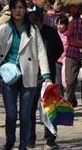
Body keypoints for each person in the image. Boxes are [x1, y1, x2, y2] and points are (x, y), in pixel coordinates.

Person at [0, 0, 53, 150]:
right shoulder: (3, 29)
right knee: (11, 114)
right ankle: (10, 141)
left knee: (25, 115)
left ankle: (23, 145)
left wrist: (46, 75)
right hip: (8, 76)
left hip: (29, 75)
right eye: (14, 8)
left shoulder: (33, 30)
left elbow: (41, 53)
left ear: (25, 9)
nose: (17, 11)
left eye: (20, 7)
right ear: (10, 10)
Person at [28, 9, 65, 149]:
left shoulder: (51, 32)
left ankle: (50, 138)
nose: (34, 27)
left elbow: (59, 49)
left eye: (36, 24)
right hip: (30, 75)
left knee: (49, 108)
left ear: (41, 21)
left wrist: (49, 62)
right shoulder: (26, 33)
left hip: (48, 75)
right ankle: (30, 138)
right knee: (29, 108)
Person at [54, 16, 69, 87]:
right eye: (58, 24)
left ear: (66, 25)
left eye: (61, 24)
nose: (59, 26)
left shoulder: (69, 35)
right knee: (58, 83)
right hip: (57, 60)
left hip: (67, 60)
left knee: (67, 82)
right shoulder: (54, 34)